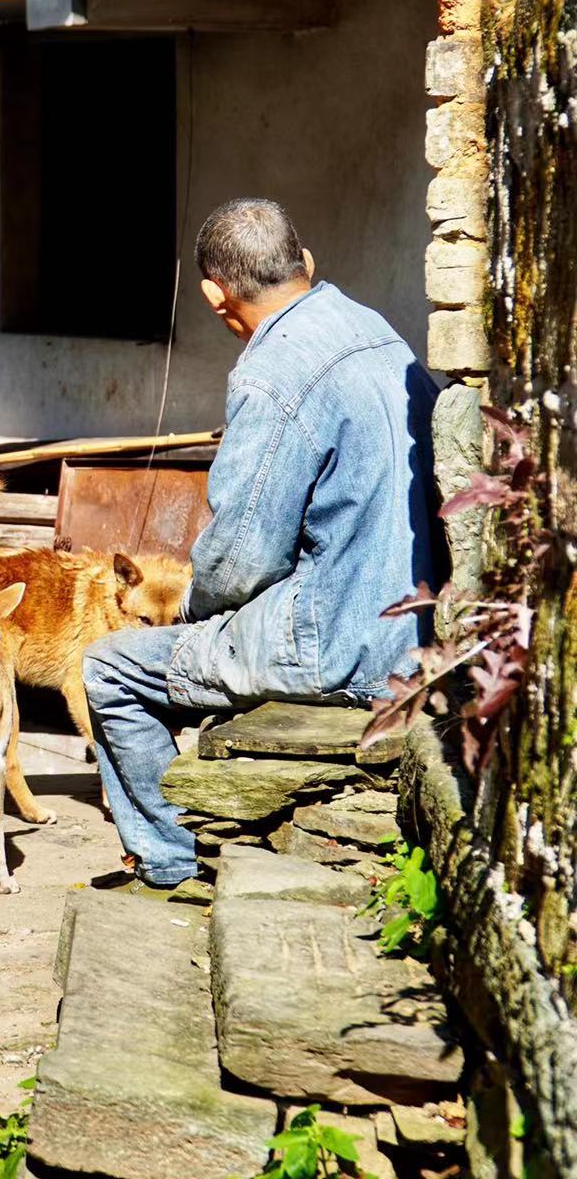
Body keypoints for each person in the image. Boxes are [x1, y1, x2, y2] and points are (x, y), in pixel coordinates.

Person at [82, 198, 441, 893]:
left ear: (217, 297)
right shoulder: (377, 332)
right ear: (305, 264)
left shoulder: (269, 372)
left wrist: (193, 603)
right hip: (419, 624)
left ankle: (168, 860)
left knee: (109, 667)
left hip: (340, 642)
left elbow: (241, 559)